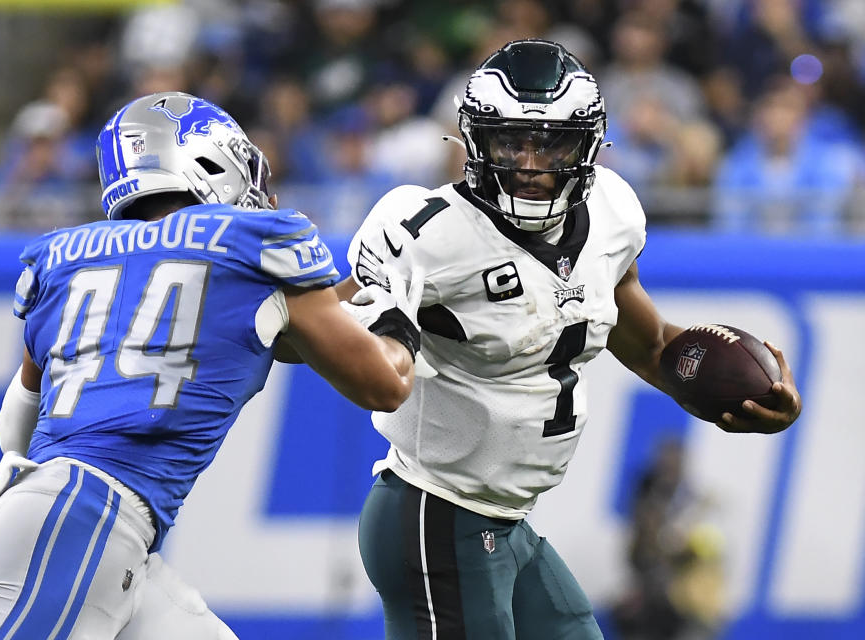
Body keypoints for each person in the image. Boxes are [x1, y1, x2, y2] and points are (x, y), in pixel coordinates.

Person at [337, 40, 802, 639]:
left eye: (550, 141)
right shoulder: (432, 233)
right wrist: (367, 338)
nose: (529, 161)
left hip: (505, 521)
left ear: (586, 144)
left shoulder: (611, 211)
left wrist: (740, 400)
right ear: (476, 143)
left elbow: (650, 343)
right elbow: (326, 326)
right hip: (435, 512)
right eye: (509, 140)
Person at [0, 91, 424, 640]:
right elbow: (386, 383)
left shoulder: (62, 257)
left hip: (65, 519)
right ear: (210, 161)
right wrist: (397, 309)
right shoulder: (253, 244)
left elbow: (17, 431)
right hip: (83, 524)